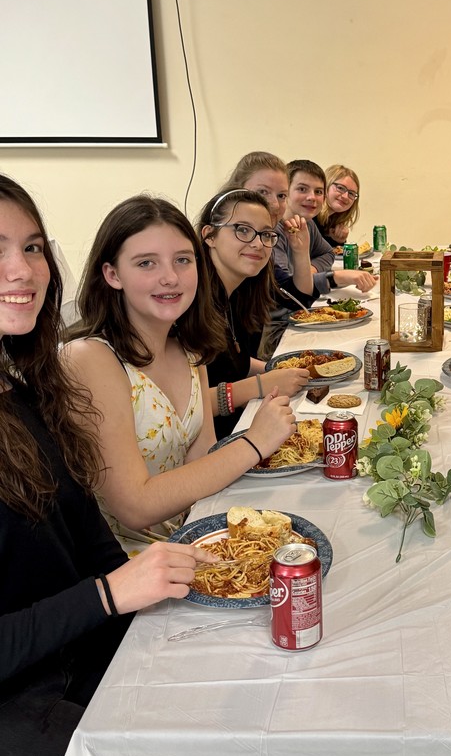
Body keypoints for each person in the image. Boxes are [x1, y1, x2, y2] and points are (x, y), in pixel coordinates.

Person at [0, 175, 218, 756]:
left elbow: (91, 543)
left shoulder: (24, 389)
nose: (22, 269)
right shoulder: (84, 360)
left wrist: (167, 608)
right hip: (22, 714)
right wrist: (109, 594)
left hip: (83, 657)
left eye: (32, 246)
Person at [67, 195, 297, 539]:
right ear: (112, 274)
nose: (171, 277)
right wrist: (253, 442)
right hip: (126, 562)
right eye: (147, 263)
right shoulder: (89, 359)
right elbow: (135, 506)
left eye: (182, 260)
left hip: (190, 531)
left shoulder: (190, 349)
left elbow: (202, 462)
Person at [196, 188, 309, 439]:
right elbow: (185, 407)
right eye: (243, 230)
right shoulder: (190, 304)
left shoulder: (238, 294)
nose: (258, 243)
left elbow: (234, 362)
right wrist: (259, 385)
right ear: (209, 235)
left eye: (266, 234)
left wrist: (282, 370)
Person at [260, 159, 377, 358]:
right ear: (285, 192)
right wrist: (338, 277)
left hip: (297, 316)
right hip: (276, 332)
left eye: (318, 192)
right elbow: (290, 293)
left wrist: (308, 269)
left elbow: (327, 253)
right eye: (302, 189)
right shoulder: (271, 231)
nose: (312, 198)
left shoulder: (306, 223)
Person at [316, 164, 360, 247]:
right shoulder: (310, 217)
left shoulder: (332, 222)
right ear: (326, 185)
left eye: (351, 193)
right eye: (340, 188)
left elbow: (331, 255)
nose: (345, 196)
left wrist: (338, 241)